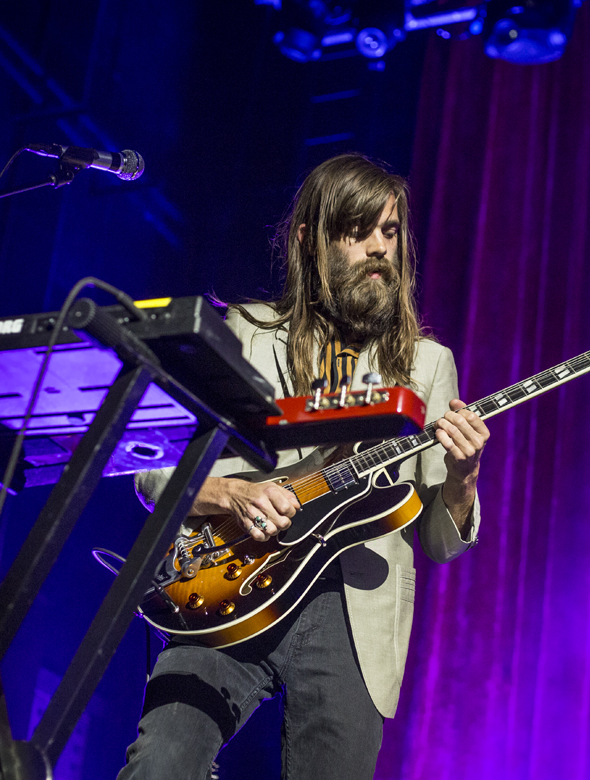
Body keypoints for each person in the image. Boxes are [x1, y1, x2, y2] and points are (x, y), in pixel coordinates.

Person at [118, 154, 489, 780]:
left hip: (353, 609)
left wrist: (463, 477)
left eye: (390, 232)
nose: (379, 249)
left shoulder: (427, 365)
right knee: (160, 765)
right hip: (227, 587)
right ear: (308, 239)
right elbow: (151, 472)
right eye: (357, 230)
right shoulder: (248, 331)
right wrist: (230, 493)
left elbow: (438, 541)